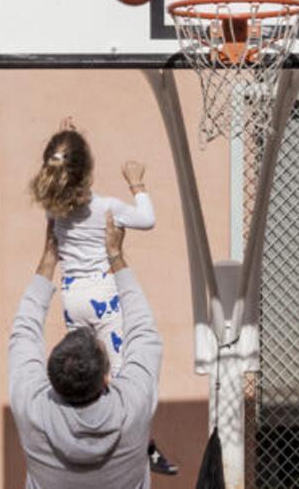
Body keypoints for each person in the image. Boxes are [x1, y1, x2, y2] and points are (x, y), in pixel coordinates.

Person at [26, 121, 179, 474]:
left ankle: (81, 440)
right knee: (125, 374)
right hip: (104, 296)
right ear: (88, 170)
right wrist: (137, 183)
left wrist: (68, 145)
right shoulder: (107, 207)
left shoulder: (54, 208)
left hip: (72, 296)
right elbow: (147, 219)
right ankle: (140, 446)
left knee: (82, 371)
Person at [9, 211, 161, 488]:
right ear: (106, 377)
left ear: (51, 377)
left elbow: (23, 333)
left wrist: (48, 258)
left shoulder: (32, 410)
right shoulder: (133, 407)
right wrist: (115, 255)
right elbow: (143, 331)